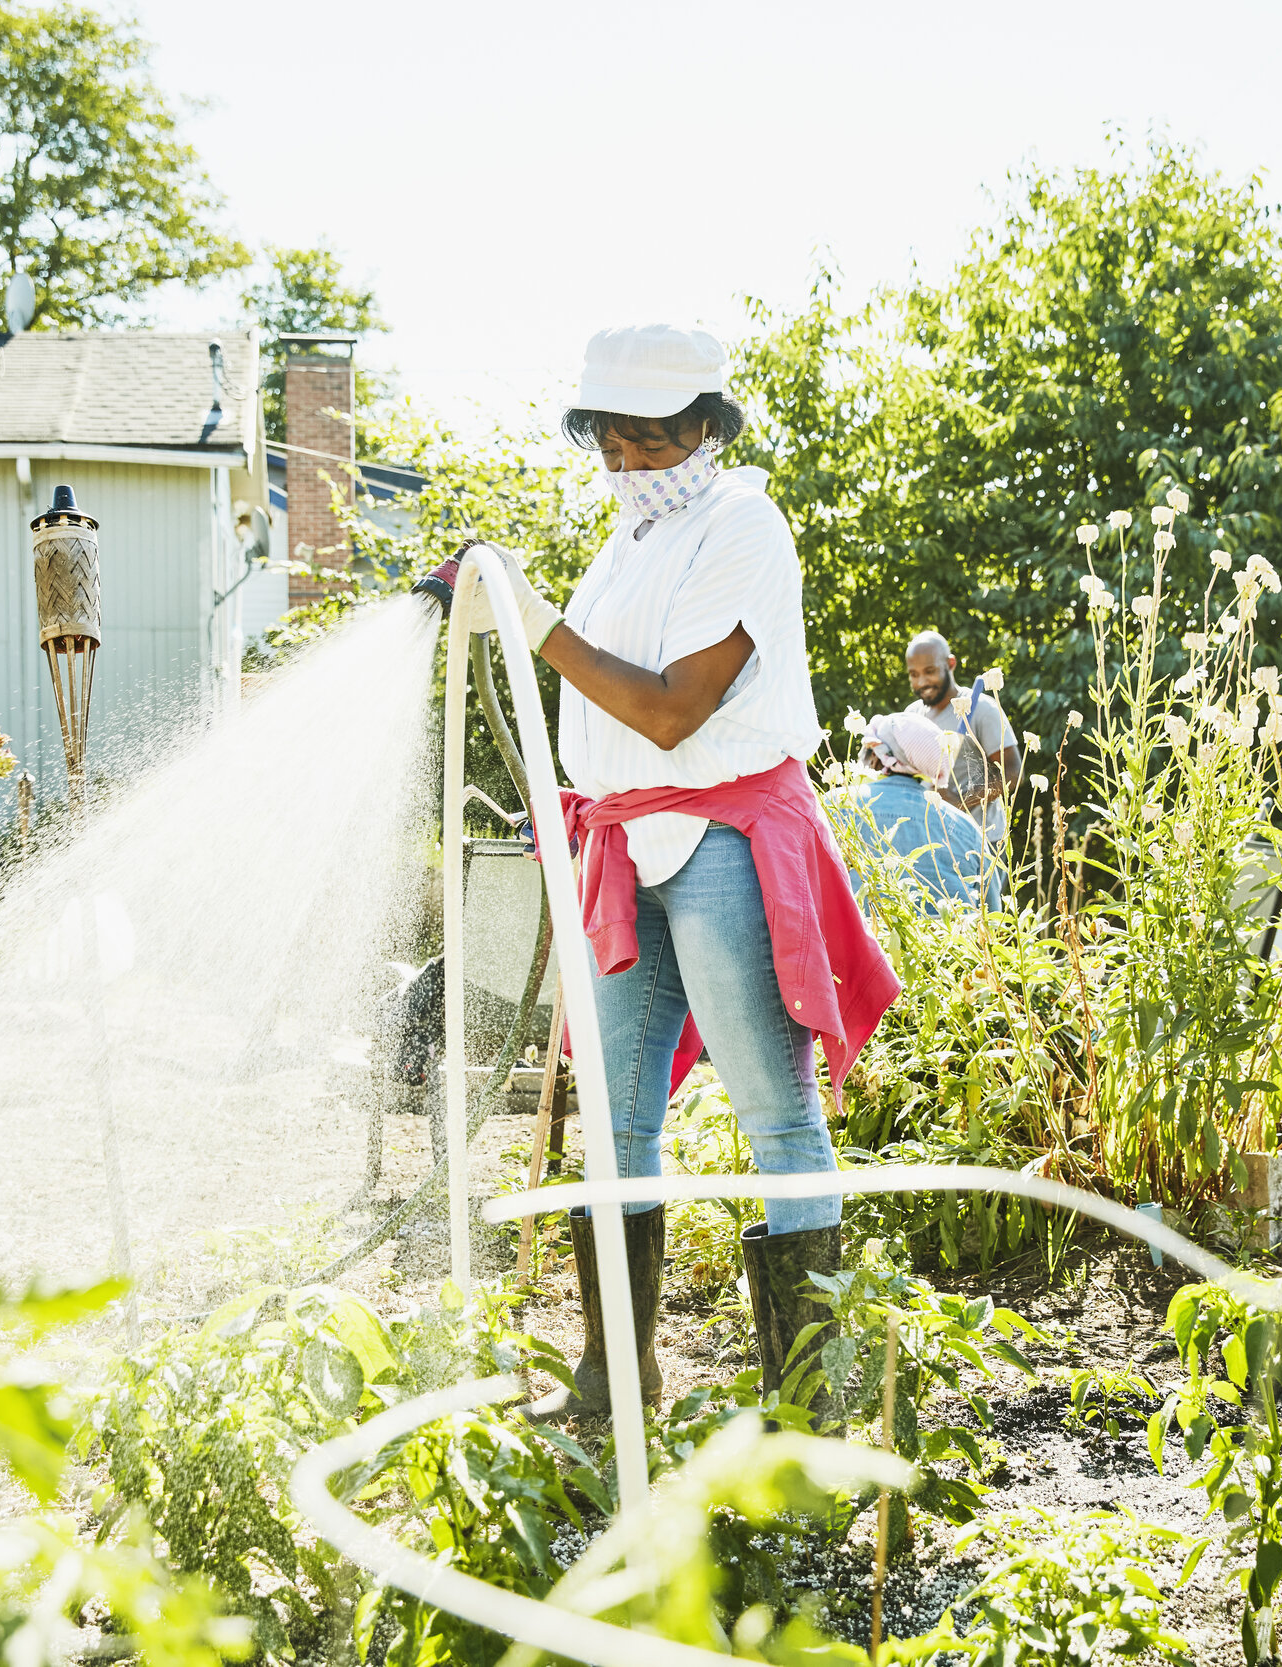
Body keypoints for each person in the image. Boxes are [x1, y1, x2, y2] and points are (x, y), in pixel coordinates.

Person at [449, 324, 901, 1421]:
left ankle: (813, 1401)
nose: (640, 460)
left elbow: (668, 711)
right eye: (618, 440)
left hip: (718, 838)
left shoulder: (744, 524)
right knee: (616, 1124)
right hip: (622, 845)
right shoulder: (624, 548)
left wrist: (532, 618)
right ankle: (615, 1375)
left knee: (777, 1115)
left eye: (660, 439)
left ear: (707, 427)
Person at [829, 711, 996, 913]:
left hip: (850, 943)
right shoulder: (969, 831)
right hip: (945, 944)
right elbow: (992, 918)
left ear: (876, 756)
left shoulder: (833, 807)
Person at [903, 631, 1018, 860]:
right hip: (931, 843)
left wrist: (961, 802)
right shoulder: (911, 716)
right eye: (913, 674)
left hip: (983, 844)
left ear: (950, 664)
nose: (921, 682)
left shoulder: (982, 709)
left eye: (929, 671)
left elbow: (1014, 772)